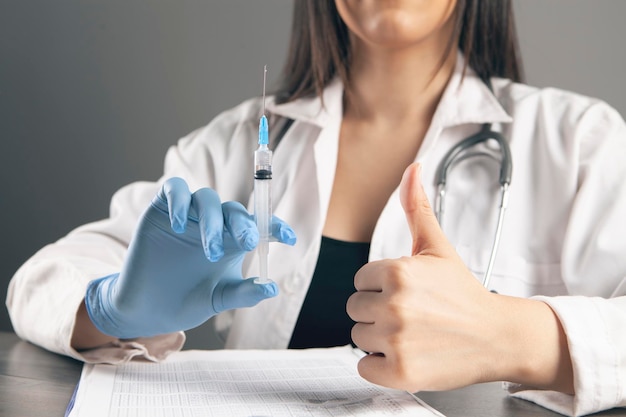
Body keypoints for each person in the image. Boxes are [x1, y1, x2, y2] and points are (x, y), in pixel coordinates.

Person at [7, 0, 626, 415]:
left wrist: (515, 336)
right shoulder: (236, 144)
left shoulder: (578, 143)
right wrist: (113, 308)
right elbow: (41, 281)